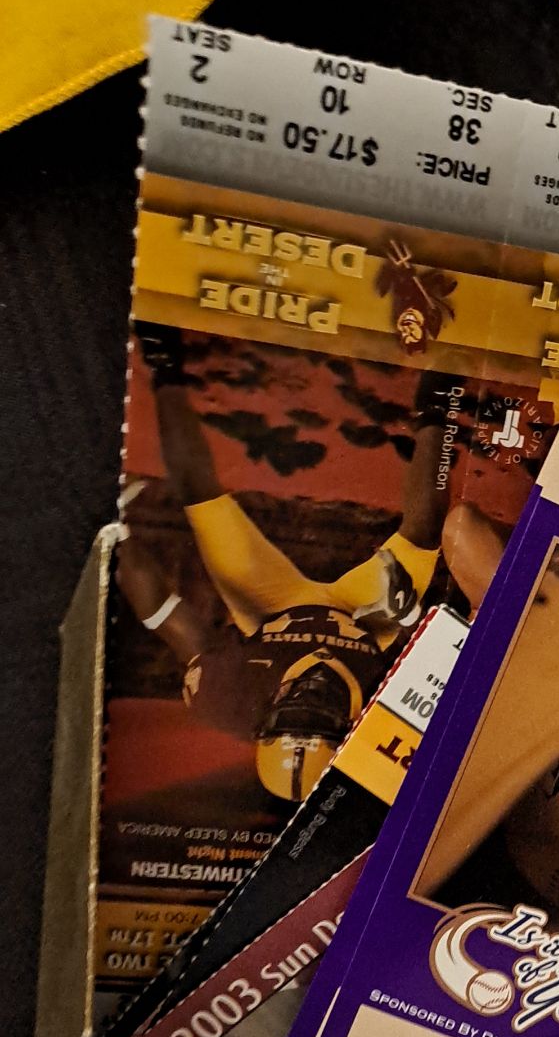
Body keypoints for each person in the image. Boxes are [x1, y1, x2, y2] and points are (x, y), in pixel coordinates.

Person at [119, 326, 507, 802]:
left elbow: (164, 614)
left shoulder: (226, 698)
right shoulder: (383, 715)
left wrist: (118, 537)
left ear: (263, 721)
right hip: (365, 619)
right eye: (319, 714)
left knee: (200, 499)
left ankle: (165, 366)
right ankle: (438, 404)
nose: (312, 691)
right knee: (424, 530)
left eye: (294, 710)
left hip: (269, 608)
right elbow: (442, 653)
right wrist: (408, 619)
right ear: (349, 729)